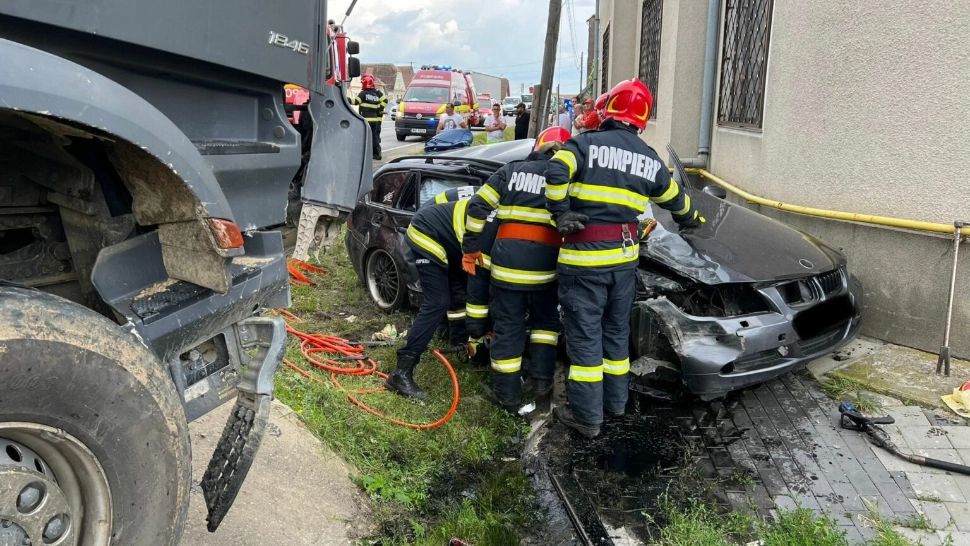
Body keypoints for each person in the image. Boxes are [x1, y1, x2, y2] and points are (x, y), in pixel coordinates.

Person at [544, 78, 705, 438]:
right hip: (624, 263)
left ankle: (587, 418)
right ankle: (615, 405)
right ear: (642, 119)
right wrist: (694, 222)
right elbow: (677, 202)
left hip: (585, 262)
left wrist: (560, 213)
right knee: (616, 335)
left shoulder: (585, 144)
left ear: (609, 109)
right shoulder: (650, 159)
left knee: (585, 337)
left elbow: (556, 170)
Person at [462, 127, 572, 414]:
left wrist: (471, 248)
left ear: (538, 146)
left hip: (508, 272)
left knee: (508, 331)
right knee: (546, 329)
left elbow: (477, 206)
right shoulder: (567, 178)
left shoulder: (511, 172)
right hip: (548, 273)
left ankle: (507, 398)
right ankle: (542, 388)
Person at [385, 187, 477, 399]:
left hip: (451, 239)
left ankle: (456, 341)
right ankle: (401, 373)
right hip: (426, 231)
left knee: (459, 294)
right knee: (437, 302)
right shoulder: (491, 205)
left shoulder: (495, 196)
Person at [350, 74, 387, 160]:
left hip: (366, 120)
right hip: (375, 120)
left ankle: (365, 154)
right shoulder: (375, 95)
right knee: (374, 137)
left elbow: (355, 101)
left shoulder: (363, 94)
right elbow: (383, 101)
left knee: (365, 137)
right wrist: (379, 108)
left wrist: (345, 99)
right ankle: (377, 154)